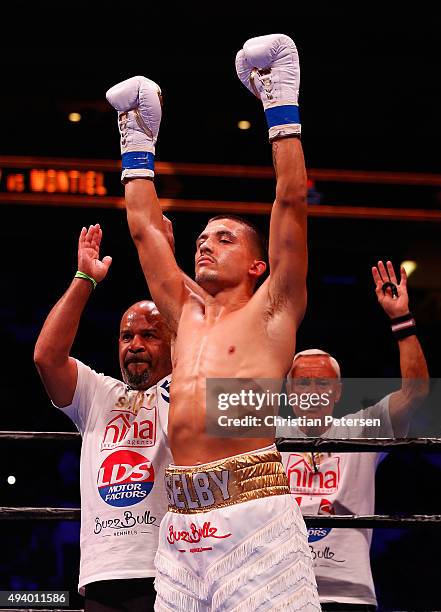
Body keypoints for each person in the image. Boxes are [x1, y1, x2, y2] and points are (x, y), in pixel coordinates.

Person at [106, 34, 320, 610]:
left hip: (254, 515)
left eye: (223, 239)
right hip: (180, 524)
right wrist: (137, 144)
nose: (204, 245)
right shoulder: (186, 314)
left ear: (256, 262)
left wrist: (281, 109)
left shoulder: (274, 306)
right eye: (201, 237)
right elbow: (146, 233)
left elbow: (291, 202)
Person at [34, 223, 173, 611]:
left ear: (173, 341)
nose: (135, 345)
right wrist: (84, 278)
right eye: (127, 337)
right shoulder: (98, 392)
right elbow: (46, 356)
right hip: (101, 572)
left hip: (170, 569)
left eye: (150, 335)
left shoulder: (190, 389)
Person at [280, 261, 429, 611]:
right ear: (288, 391)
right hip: (281, 589)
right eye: (303, 382)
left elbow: (416, 392)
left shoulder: (362, 427)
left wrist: (401, 319)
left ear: (337, 392)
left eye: (322, 383)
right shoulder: (270, 434)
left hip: (347, 592)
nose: (312, 391)